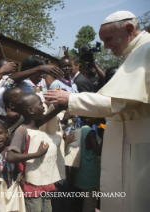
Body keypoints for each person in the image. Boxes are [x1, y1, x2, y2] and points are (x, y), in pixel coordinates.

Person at [44, 11, 150, 212]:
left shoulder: (145, 50)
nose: (106, 45)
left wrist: (71, 100)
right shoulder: (133, 52)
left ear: (128, 30)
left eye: (109, 39)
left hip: (139, 146)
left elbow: (123, 101)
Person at [6, 93, 55, 212]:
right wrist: (37, 154)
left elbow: (48, 116)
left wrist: (62, 106)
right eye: (40, 104)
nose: (43, 107)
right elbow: (10, 156)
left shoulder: (36, 128)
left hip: (44, 184)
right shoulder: (22, 131)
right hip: (31, 187)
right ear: (30, 110)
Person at [74, 117, 103, 212]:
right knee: (90, 205)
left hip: (83, 172)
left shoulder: (79, 130)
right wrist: (106, 135)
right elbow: (98, 151)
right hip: (91, 173)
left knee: (87, 202)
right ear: (87, 118)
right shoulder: (90, 132)